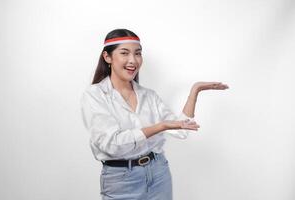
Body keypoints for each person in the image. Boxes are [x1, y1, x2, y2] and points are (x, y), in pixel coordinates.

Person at [80, 28, 229, 200]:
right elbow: (112, 144)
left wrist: (195, 91)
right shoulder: (95, 95)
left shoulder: (149, 96)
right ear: (107, 57)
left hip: (158, 173)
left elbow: (181, 130)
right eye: (124, 53)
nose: (133, 60)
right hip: (121, 180)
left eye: (138, 53)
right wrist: (160, 126)